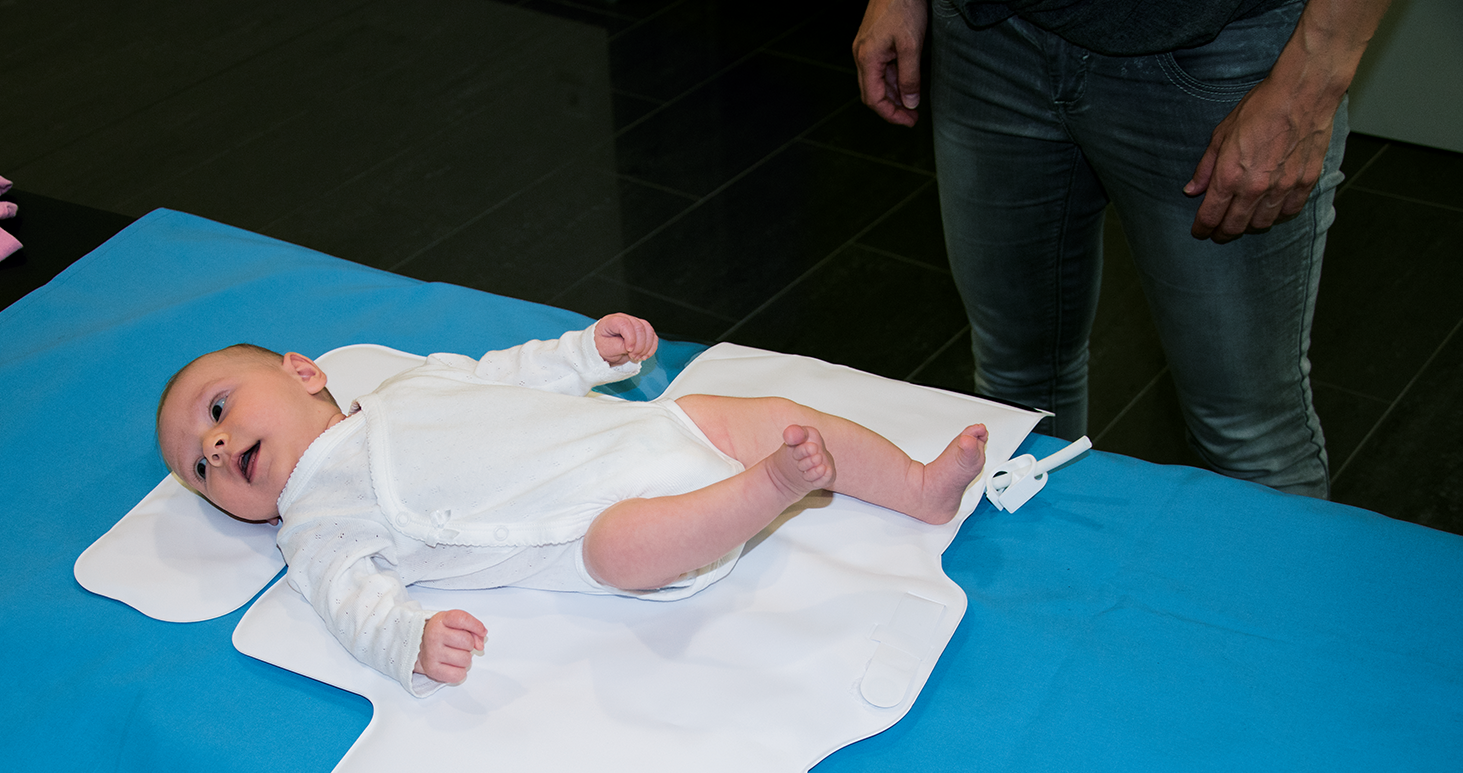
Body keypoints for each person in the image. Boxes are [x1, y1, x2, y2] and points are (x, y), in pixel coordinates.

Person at [155, 314, 989, 694]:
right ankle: (769, 489)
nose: (218, 449)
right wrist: (406, 637)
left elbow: (505, 372)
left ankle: (916, 486)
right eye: (200, 468)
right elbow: (349, 601)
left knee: (753, 414)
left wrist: (583, 352)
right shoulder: (314, 523)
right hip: (599, 532)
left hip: (643, 437)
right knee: (620, 550)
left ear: (303, 371)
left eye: (219, 410)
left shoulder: (410, 385)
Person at [853, 0, 1391, 497]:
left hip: (1219, 50)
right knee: (1014, 392)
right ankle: (1045, 590)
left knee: (1248, 437)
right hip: (987, 35)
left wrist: (1308, 87)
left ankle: (1270, 603)